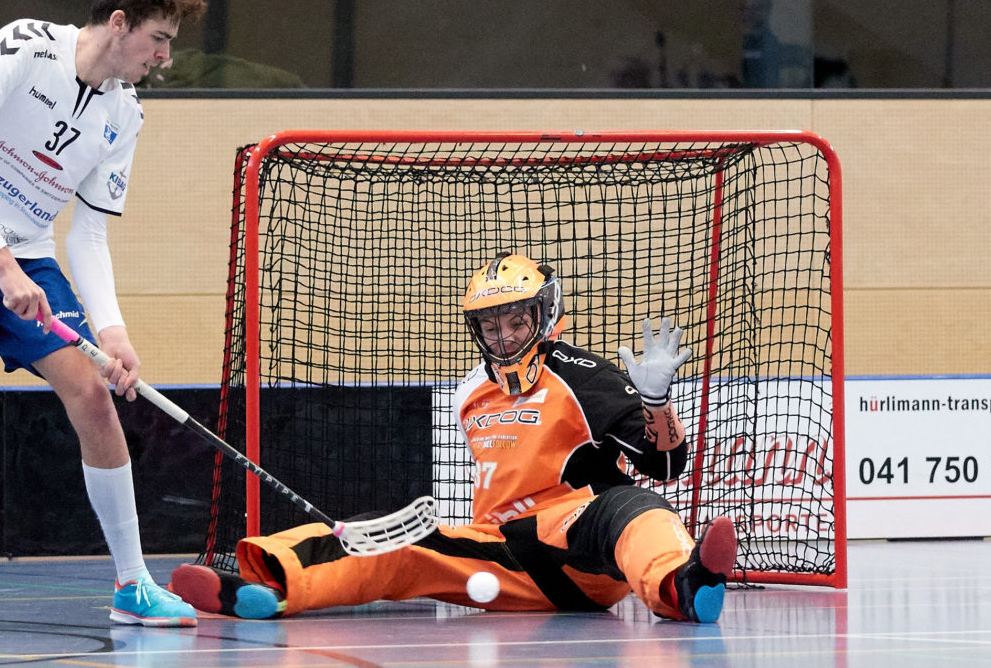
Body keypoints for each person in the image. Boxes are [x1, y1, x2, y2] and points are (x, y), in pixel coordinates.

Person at [0, 0, 207, 627]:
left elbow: (88, 232)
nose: (164, 56)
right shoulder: (23, 48)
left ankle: (131, 582)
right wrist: (0, 262)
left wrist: (113, 331)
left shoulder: (123, 114)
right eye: (158, 38)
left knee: (93, 392)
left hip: (25, 256)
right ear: (118, 24)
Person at [169, 252, 737, 623]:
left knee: (634, 506)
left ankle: (683, 587)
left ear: (544, 315)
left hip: (578, 542)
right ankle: (265, 585)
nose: (505, 335)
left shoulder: (583, 377)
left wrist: (656, 401)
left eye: (517, 320)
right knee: (393, 544)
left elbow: (667, 466)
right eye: (491, 325)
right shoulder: (471, 394)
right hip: (503, 554)